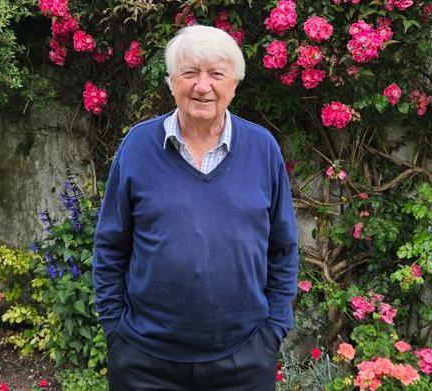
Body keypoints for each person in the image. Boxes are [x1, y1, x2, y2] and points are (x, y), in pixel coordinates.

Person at [93, 25, 299, 390]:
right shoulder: (139, 146)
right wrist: (116, 330)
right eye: (189, 73)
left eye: (216, 74)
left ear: (234, 82)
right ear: (172, 81)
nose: (202, 86)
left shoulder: (262, 148)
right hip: (145, 362)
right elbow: (110, 244)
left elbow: (282, 248)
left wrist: (272, 333)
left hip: (243, 361)